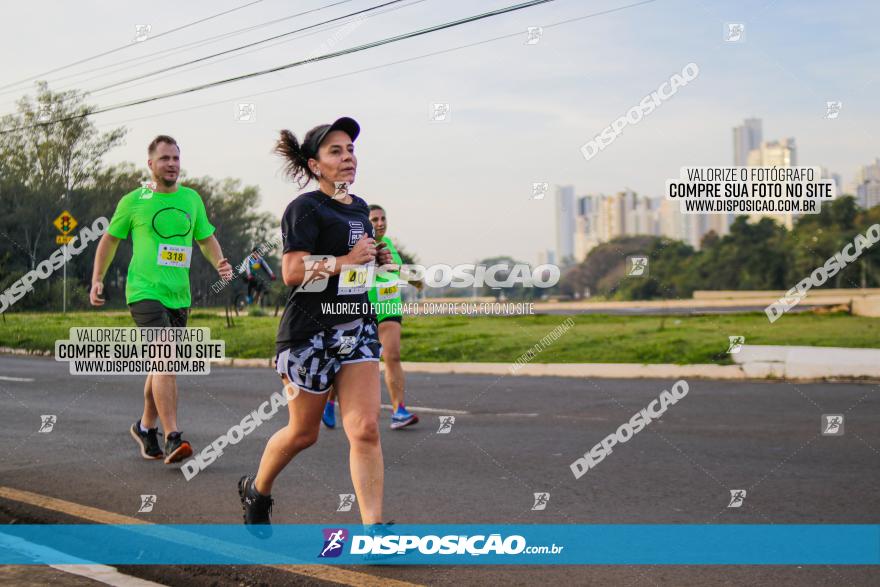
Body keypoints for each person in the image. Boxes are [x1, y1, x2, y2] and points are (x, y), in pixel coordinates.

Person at [239, 117, 393, 530]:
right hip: (308, 335)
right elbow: (291, 270)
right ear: (314, 165)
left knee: (365, 428)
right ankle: (258, 488)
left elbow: (354, 263)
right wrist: (346, 262)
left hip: (356, 327)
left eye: (351, 150)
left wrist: (375, 261)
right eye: (336, 151)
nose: (348, 158)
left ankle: (373, 529)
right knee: (304, 433)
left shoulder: (359, 207)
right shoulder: (304, 208)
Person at [90, 135, 233, 464]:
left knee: (161, 364)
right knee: (166, 358)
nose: (172, 164)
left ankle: (144, 426)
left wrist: (220, 262)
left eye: (176, 158)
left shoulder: (191, 198)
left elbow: (206, 238)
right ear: (150, 164)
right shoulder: (134, 200)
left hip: (178, 295)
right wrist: (98, 279)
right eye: (165, 158)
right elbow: (109, 241)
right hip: (144, 292)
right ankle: (173, 437)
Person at [322, 205, 418, 430]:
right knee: (346, 359)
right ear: (366, 223)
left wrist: (415, 279)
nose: (380, 222)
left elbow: (398, 270)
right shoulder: (359, 248)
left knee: (392, 356)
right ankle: (329, 402)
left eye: (383, 218)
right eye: (374, 219)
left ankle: (399, 411)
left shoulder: (390, 245)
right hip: (364, 310)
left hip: (389, 309)